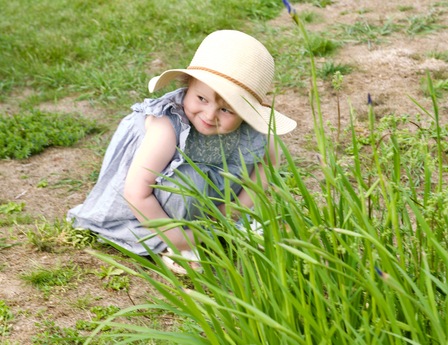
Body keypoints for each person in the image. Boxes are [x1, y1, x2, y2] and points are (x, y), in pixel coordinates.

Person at [67, 30, 297, 274]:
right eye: (201, 98)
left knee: (226, 172)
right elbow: (136, 193)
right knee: (188, 179)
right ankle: (172, 246)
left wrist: (229, 214)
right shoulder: (166, 127)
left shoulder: (255, 130)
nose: (209, 116)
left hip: (214, 204)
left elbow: (266, 169)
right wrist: (178, 238)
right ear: (187, 86)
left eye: (227, 110)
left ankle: (221, 228)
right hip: (153, 206)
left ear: (248, 114)